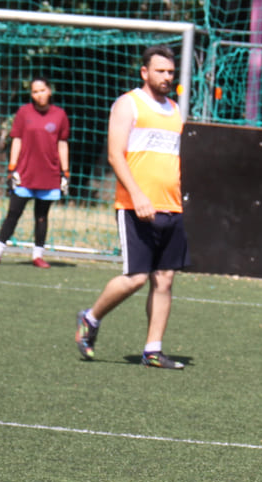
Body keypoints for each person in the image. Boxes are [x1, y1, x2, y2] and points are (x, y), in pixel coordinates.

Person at [74, 45, 188, 369]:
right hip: (134, 205)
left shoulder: (175, 109)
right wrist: (137, 194)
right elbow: (115, 155)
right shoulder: (128, 104)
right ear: (144, 72)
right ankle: (91, 318)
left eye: (170, 72)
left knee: (164, 279)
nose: (167, 77)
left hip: (171, 207)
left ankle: (153, 350)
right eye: (160, 71)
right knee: (136, 278)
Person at [0, 77, 70, 268]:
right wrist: (12, 168)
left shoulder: (60, 115)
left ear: (49, 91)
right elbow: (17, 140)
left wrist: (65, 172)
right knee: (13, 213)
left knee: (42, 216)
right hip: (25, 174)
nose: (39, 95)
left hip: (49, 174)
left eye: (42, 90)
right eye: (35, 92)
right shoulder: (23, 112)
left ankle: (38, 256)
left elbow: (62, 143)